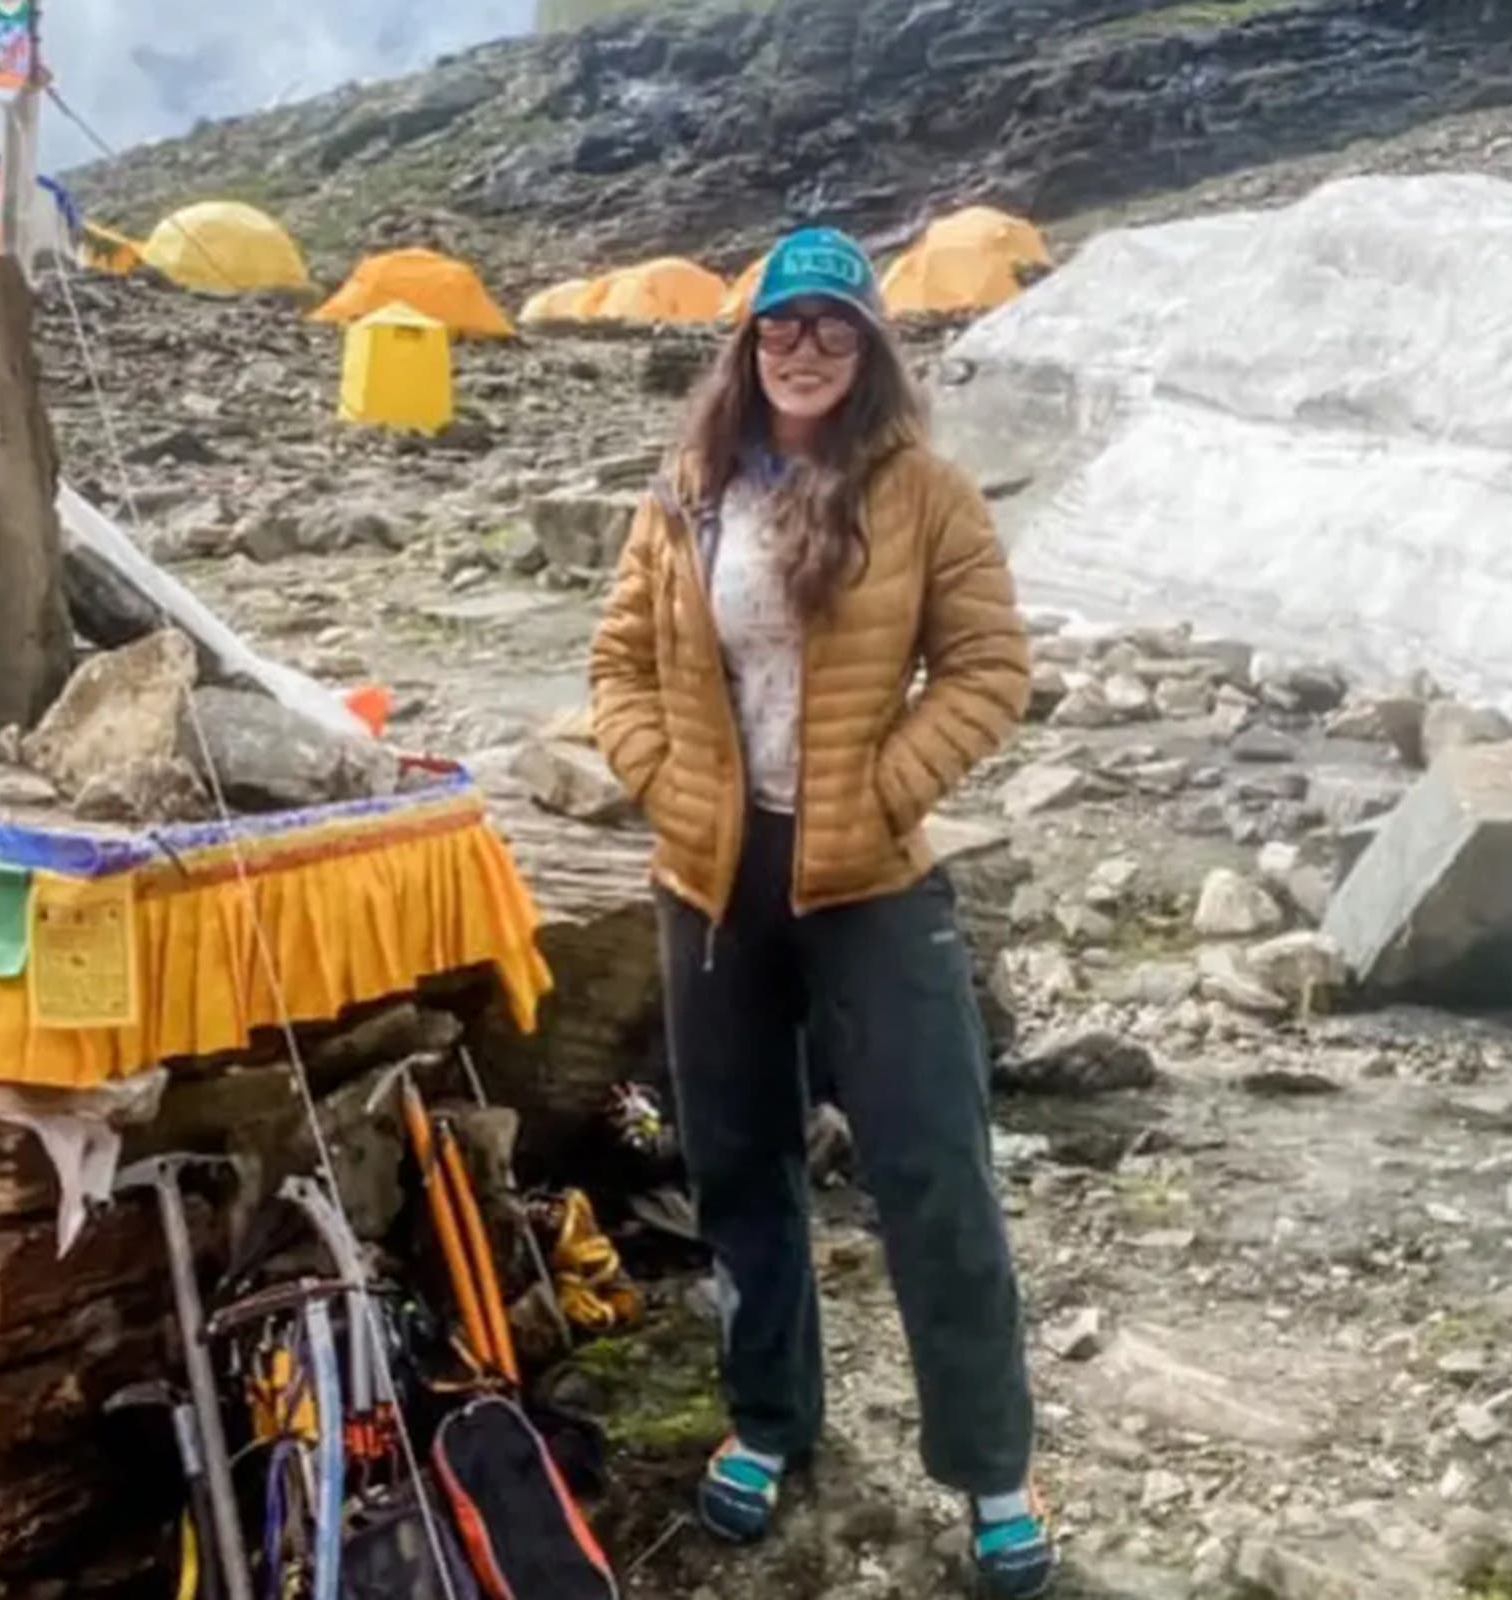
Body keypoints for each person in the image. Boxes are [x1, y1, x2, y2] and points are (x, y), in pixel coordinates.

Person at [588, 226, 1053, 1598]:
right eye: (779, 326)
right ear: (747, 344)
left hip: (873, 881)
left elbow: (989, 667)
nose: (802, 348)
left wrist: (889, 783)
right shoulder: (690, 487)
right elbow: (616, 660)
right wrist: (669, 788)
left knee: (934, 1171)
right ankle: (770, 1420)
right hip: (713, 882)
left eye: (831, 327)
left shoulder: (926, 494)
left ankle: (991, 1470)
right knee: (738, 1163)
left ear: (868, 348)